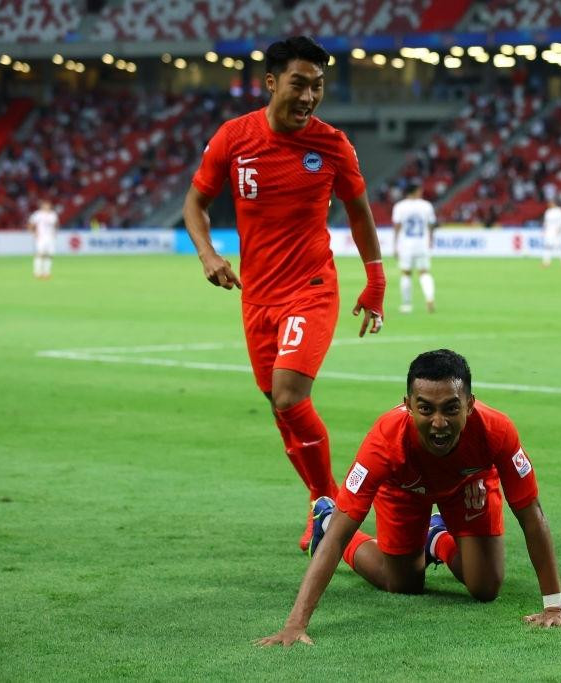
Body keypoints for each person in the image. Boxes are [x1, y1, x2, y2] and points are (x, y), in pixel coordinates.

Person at [182, 36, 386, 551]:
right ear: (272, 82)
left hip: (312, 288)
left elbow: (359, 211)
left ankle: (331, 505)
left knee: (291, 395)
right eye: (299, 83)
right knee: (278, 403)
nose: (309, 96)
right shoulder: (234, 137)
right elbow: (196, 203)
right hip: (257, 298)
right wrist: (207, 253)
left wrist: (376, 278)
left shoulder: (332, 144)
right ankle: (322, 505)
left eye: (318, 87)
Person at [257, 349, 561, 646]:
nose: (438, 422)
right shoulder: (384, 441)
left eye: (450, 408)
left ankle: (435, 537)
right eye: (425, 409)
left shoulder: (497, 430)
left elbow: (532, 515)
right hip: (403, 489)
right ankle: (323, 518)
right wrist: (296, 623)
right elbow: (341, 535)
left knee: (485, 587)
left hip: (468, 483)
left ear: (470, 404)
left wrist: (554, 606)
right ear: (408, 404)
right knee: (403, 584)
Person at [391, 183, 437, 313]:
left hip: (406, 245)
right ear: (416, 191)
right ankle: (429, 298)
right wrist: (431, 241)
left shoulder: (400, 206)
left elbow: (397, 226)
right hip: (422, 244)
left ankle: (406, 304)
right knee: (424, 272)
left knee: (406, 273)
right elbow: (431, 224)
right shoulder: (426, 206)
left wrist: (395, 245)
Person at [28, 199, 59, 279]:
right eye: (45, 205)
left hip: (50, 238)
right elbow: (30, 224)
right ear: (42, 206)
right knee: (39, 254)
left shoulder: (53, 215)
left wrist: (55, 232)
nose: (47, 206)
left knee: (49, 255)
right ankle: (37, 272)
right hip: (41, 237)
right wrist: (34, 233)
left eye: (48, 205)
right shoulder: (37, 214)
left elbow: (56, 224)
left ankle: (46, 272)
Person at [541, 197, 561, 268]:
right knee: (547, 247)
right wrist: (544, 230)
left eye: (550, 203)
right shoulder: (548, 212)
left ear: (554, 203)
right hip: (549, 232)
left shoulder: (560, 211)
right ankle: (546, 262)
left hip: (557, 231)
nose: (549, 204)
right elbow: (546, 222)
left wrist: (560, 229)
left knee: (560, 247)